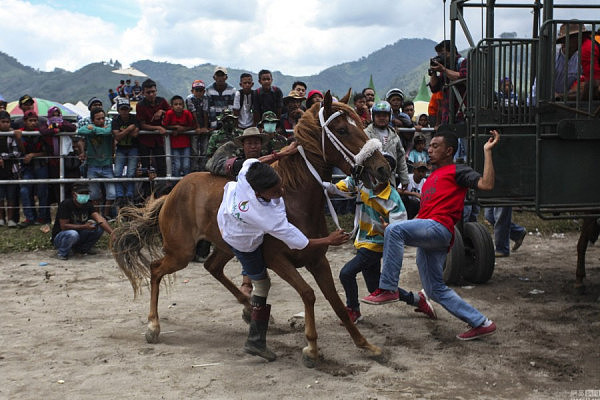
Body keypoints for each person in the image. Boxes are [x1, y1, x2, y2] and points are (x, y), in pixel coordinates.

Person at [361, 128, 501, 341]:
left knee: (395, 231)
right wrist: (395, 226)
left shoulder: (458, 171)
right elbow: (423, 215)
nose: (430, 149)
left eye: (436, 146)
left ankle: (388, 288)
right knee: (434, 289)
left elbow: (487, 184)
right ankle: (481, 322)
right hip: (430, 232)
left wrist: (487, 151)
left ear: (449, 151)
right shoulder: (432, 176)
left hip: (440, 229)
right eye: (430, 145)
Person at [217, 158, 350, 360]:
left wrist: (282, 154)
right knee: (262, 284)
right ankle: (255, 340)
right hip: (241, 238)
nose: (282, 192)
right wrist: (328, 240)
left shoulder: (248, 173)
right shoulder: (267, 217)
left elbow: (255, 162)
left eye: (281, 185)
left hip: (228, 208)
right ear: (259, 193)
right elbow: (302, 243)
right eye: (275, 191)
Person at [329, 155, 407, 324]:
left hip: (376, 245)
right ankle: (416, 299)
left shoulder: (393, 198)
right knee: (375, 287)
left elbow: (401, 229)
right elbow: (343, 186)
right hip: (362, 241)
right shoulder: (363, 183)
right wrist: (330, 188)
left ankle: (353, 310)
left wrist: (388, 228)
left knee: (346, 273)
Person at [429, 39, 468, 160]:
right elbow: (435, 88)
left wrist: (444, 70)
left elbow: (463, 77)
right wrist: (433, 72)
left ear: (453, 52)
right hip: (448, 117)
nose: (441, 57)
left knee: (466, 151)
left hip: (463, 114)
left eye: (443, 53)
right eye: (439, 54)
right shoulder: (444, 69)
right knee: (449, 153)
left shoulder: (462, 62)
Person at [51, 183, 113, 260]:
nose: (85, 195)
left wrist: (112, 234)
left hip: (79, 233)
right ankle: (62, 253)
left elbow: (100, 219)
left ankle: (82, 249)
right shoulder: (65, 204)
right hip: (62, 236)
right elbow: (64, 226)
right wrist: (85, 226)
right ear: (74, 194)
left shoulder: (88, 205)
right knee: (73, 234)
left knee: (99, 227)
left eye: (86, 193)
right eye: (82, 193)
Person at [77, 108, 116, 218]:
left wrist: (93, 129)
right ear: (92, 120)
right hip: (92, 165)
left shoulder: (108, 125)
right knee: (94, 194)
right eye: (98, 119)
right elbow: (80, 131)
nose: (101, 121)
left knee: (112, 193)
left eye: (103, 118)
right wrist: (99, 130)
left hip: (107, 165)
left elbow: (108, 131)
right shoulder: (88, 126)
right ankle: (97, 216)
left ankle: (106, 215)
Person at [364, 101, 409, 188]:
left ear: (389, 116)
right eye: (378, 116)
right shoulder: (366, 133)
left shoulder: (394, 135)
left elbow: (401, 158)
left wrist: (404, 179)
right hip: (371, 180)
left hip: (390, 180)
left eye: (384, 115)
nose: (382, 118)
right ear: (373, 117)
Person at [18, 110, 51, 227]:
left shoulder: (41, 132)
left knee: (43, 191)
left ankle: (42, 217)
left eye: (35, 120)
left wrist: (32, 155)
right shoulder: (20, 133)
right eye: (30, 120)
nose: (33, 123)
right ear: (25, 121)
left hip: (41, 165)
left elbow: (47, 151)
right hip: (27, 167)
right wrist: (18, 139)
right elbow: (21, 151)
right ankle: (29, 218)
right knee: (24, 190)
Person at [39, 106, 76, 205]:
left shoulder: (64, 123)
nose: (55, 116)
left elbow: (73, 127)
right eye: (53, 115)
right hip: (52, 160)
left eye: (57, 114)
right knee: (55, 185)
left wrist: (60, 125)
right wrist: (53, 130)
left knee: (68, 185)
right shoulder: (45, 125)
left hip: (65, 159)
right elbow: (43, 131)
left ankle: (67, 206)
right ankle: (60, 206)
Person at [136, 79, 170, 180]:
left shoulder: (162, 101)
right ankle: (147, 194)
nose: (151, 94)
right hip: (145, 140)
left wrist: (162, 111)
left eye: (153, 91)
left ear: (156, 91)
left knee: (161, 166)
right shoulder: (140, 105)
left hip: (158, 140)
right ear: (143, 93)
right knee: (146, 168)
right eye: (148, 92)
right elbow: (142, 125)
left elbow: (171, 111)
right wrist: (158, 127)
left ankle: (162, 192)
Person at [111, 97, 140, 206]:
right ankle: (119, 195)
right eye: (122, 109)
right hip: (121, 149)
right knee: (117, 172)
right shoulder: (115, 120)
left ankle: (129, 195)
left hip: (133, 148)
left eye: (126, 109)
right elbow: (117, 137)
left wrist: (123, 131)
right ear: (118, 110)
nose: (124, 111)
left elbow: (135, 134)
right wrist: (129, 129)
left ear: (129, 109)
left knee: (131, 173)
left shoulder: (134, 118)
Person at [0, 110, 23, 228]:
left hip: (11, 169)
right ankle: (1, 219)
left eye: (8, 122)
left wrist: (2, 157)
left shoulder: (12, 135)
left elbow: (16, 153)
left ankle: (10, 220)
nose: (5, 124)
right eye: (3, 122)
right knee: (0, 196)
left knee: (11, 196)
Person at [163, 95, 195, 177]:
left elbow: (193, 126)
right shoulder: (169, 114)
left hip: (186, 143)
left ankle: (186, 184)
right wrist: (175, 127)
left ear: (183, 106)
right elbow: (165, 125)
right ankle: (176, 185)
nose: (178, 106)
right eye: (176, 104)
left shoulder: (187, 114)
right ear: (172, 106)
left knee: (186, 165)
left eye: (180, 104)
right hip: (174, 144)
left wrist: (183, 129)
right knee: (177, 166)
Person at [186, 79, 210, 172]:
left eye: (201, 90)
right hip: (193, 126)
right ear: (192, 91)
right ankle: (194, 170)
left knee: (205, 150)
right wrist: (197, 127)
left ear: (204, 91)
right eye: (197, 90)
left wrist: (204, 127)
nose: (199, 92)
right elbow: (193, 113)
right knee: (194, 150)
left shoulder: (205, 98)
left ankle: (203, 169)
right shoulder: (189, 99)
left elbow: (205, 112)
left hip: (203, 126)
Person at [206, 66, 236, 130]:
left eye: (222, 75)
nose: (220, 78)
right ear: (214, 77)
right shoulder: (209, 90)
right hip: (213, 122)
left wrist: (227, 125)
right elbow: (211, 109)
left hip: (227, 122)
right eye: (218, 75)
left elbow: (231, 108)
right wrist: (213, 126)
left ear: (226, 77)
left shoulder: (232, 90)